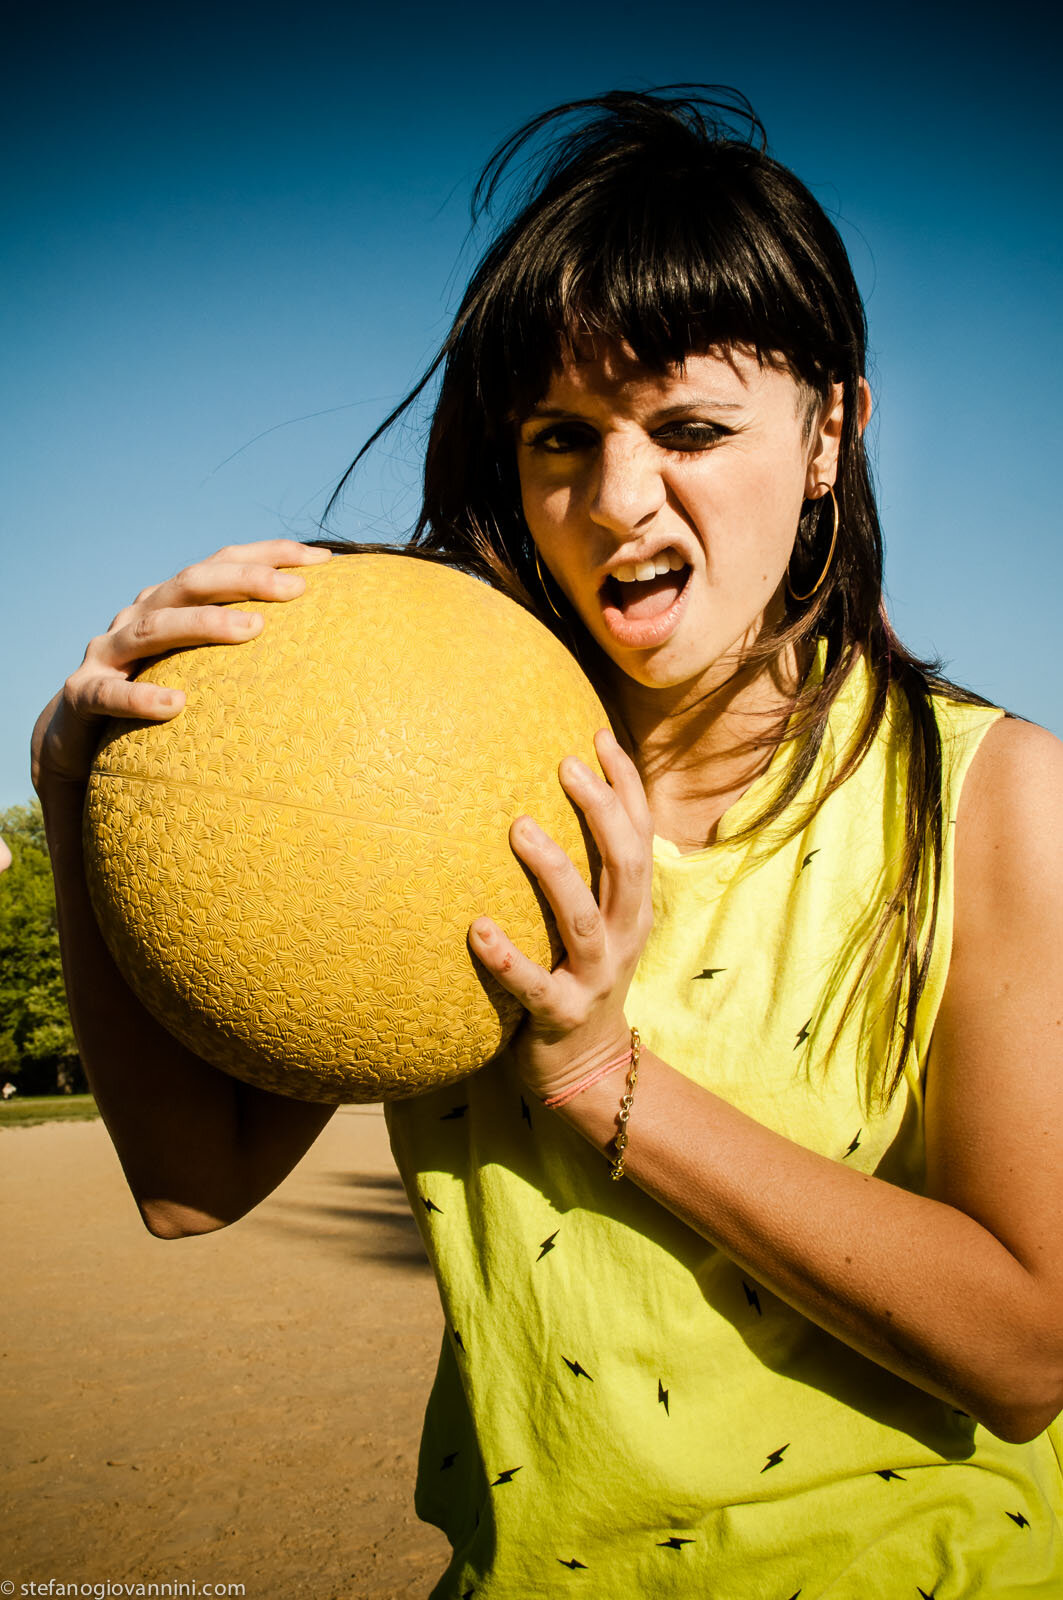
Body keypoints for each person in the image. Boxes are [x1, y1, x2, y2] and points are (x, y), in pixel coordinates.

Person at [32, 88, 1063, 1597]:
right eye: (559, 438)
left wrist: (599, 1079)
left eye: (693, 428)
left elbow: (1029, 1344)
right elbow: (194, 1189)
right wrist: (77, 788)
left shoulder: (991, 800)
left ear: (832, 429)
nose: (619, 498)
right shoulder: (439, 790)